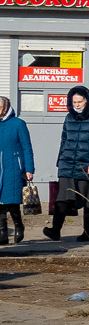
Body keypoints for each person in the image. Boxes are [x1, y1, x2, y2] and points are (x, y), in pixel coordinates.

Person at [42, 85, 89, 243]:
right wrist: (60, 161)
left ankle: (88, 232)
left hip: (86, 165)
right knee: (62, 197)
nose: (77, 104)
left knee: (88, 199)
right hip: (67, 163)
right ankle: (55, 230)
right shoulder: (69, 118)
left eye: (80, 101)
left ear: (87, 101)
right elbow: (63, 141)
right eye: (74, 101)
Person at [0, 96, 35, 245]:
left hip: (13, 167)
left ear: (5, 107)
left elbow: (27, 147)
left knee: (11, 201)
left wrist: (29, 168)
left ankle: (18, 225)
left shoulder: (18, 124)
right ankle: (2, 231)